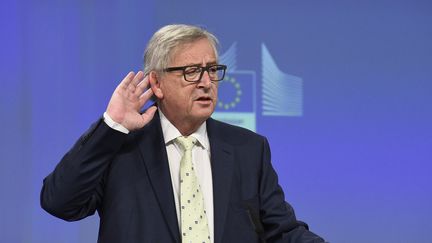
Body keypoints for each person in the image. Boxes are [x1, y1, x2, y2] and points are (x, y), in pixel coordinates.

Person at [41, 24, 325, 243]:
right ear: (157, 82)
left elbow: (283, 231)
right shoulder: (119, 146)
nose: (206, 83)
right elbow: (60, 203)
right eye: (191, 72)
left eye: (212, 70)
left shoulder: (247, 148)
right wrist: (111, 125)